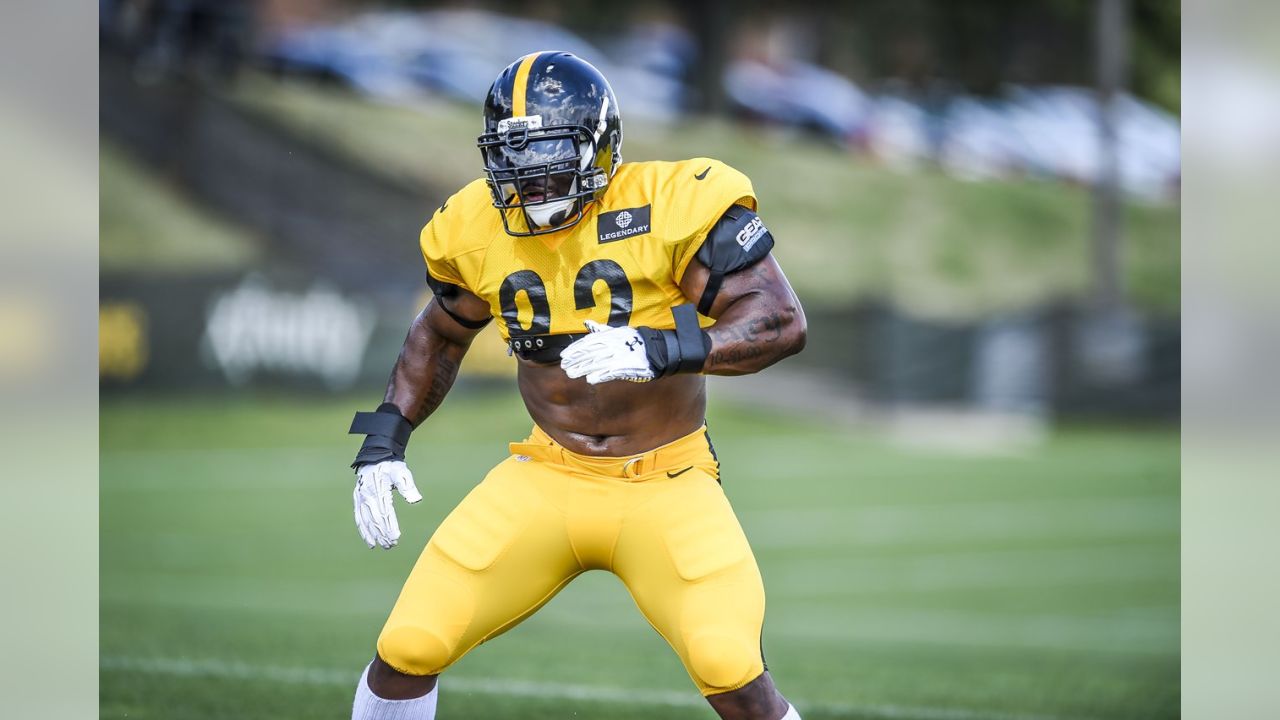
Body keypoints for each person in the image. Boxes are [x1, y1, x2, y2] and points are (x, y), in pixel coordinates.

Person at [347, 51, 807, 720]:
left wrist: (664, 348)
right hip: (548, 474)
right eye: (514, 158)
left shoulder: (674, 203)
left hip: (666, 481)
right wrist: (386, 437)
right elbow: (440, 332)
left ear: (600, 144)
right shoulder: (474, 225)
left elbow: (779, 321)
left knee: (729, 668)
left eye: (550, 154)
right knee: (408, 645)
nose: (530, 180)